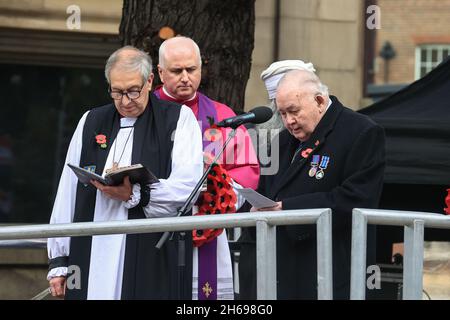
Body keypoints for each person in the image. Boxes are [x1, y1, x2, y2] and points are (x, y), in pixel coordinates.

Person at [47, 46, 203, 299]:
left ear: (150, 80)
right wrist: (59, 259)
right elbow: (68, 192)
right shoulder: (90, 121)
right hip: (93, 247)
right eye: (117, 92)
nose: (125, 101)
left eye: (133, 90)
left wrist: (135, 194)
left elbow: (187, 189)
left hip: (150, 250)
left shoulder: (177, 119)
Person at [239, 68, 385, 299]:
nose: (289, 121)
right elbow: (265, 190)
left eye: (294, 111)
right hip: (281, 271)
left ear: (319, 101)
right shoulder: (283, 140)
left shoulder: (361, 131)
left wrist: (286, 209)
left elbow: (356, 198)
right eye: (283, 113)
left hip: (329, 270)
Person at [155, 36, 260, 300]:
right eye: (176, 71)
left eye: (191, 69)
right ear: (160, 72)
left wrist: (216, 190)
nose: (185, 77)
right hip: (153, 224)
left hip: (206, 223)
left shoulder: (222, 115)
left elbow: (246, 169)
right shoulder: (145, 111)